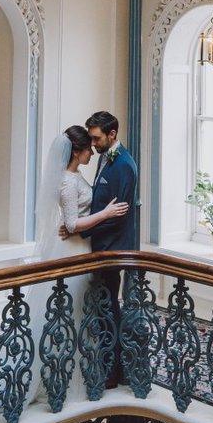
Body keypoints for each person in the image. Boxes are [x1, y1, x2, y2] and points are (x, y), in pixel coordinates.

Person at [29, 125, 129, 405]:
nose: (92, 152)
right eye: (88, 148)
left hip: (82, 247)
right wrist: (106, 213)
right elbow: (72, 223)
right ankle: (60, 376)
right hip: (73, 251)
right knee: (70, 314)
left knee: (81, 315)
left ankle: (83, 369)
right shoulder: (67, 181)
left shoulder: (75, 175)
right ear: (76, 151)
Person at [66, 110, 138, 388]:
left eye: (96, 138)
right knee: (102, 308)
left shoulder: (124, 166)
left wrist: (83, 228)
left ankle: (114, 369)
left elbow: (117, 214)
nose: (92, 144)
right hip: (97, 246)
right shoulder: (107, 158)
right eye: (91, 139)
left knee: (110, 309)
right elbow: (100, 203)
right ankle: (104, 359)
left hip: (112, 249)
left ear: (112, 135)